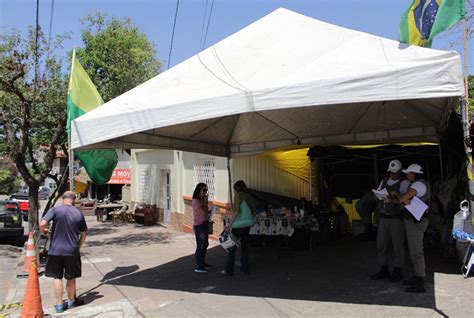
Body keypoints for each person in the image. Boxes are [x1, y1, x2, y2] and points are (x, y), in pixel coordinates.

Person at [39, 191, 87, 313]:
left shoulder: (55, 210)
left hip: (55, 250)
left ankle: (60, 304)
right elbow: (84, 233)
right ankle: (71, 301)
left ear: (62, 199)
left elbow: (42, 223)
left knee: (57, 277)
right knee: (71, 278)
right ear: (74, 200)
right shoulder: (78, 213)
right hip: (72, 251)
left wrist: (44, 231)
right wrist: (78, 246)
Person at [371, 160, 410, 282]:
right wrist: (378, 196)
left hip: (396, 218)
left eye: (395, 173)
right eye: (391, 173)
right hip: (383, 217)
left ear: (399, 172)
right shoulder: (384, 181)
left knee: (398, 245)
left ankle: (398, 270)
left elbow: (404, 200)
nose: (392, 175)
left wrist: (393, 197)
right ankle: (384, 268)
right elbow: (375, 195)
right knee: (381, 244)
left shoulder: (404, 183)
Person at [395, 163, 430, 293]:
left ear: (414, 174)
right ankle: (417, 276)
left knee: (416, 252)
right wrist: (405, 200)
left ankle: (419, 281)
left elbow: (402, 199)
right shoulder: (421, 184)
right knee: (414, 251)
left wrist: (398, 195)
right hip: (415, 221)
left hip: (416, 223)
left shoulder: (417, 185)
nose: (407, 175)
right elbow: (406, 201)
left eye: (409, 173)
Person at [221, 180, 256, 276]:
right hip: (247, 224)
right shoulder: (249, 196)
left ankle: (229, 270)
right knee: (245, 248)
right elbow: (253, 211)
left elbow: (236, 211)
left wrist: (230, 225)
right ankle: (245, 270)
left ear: (236, 189)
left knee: (232, 247)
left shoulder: (238, 196)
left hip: (238, 225)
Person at [192, 183, 212, 273]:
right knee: (200, 245)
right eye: (204, 190)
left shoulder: (202, 200)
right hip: (199, 225)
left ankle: (203, 263)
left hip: (205, 223)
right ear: (199, 190)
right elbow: (203, 212)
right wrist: (205, 202)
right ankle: (198, 265)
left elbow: (206, 211)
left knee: (205, 244)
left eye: (206, 190)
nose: (205, 192)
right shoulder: (196, 201)